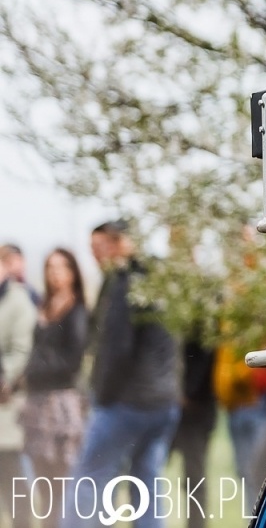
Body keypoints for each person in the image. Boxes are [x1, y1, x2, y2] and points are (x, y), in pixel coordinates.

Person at [61, 222, 179, 528]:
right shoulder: (163, 278)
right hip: (164, 402)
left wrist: (101, 394)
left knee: (89, 481)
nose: (95, 257)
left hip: (127, 402)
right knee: (147, 487)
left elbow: (116, 349)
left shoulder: (124, 282)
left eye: (98, 248)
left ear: (117, 244)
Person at [20, 249, 88, 528]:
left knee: (63, 482)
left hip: (62, 404)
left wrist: (33, 372)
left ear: (72, 272)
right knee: (44, 486)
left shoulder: (77, 310)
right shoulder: (43, 307)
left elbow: (72, 361)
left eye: (61, 267)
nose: (55, 273)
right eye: (50, 267)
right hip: (37, 405)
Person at [0, 256, 35, 528]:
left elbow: (21, 350)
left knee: (11, 473)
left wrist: (5, 378)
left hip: (5, 404)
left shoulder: (18, 301)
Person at [170, 339, 215, 528]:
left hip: (194, 412)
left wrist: (189, 394)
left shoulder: (201, 318)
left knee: (194, 479)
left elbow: (207, 355)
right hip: (171, 405)